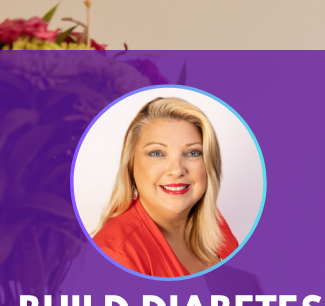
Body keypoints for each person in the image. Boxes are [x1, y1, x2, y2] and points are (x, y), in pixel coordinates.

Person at [93, 97, 238, 277]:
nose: (176, 170)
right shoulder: (116, 253)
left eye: (193, 153)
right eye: (157, 153)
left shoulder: (214, 222)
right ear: (131, 165)